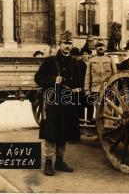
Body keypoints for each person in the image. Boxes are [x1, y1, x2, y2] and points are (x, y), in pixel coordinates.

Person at [34, 30, 82, 176]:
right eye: (65, 43)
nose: (67, 46)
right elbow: (38, 78)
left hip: (67, 103)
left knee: (64, 131)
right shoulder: (49, 61)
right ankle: (48, 163)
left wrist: (77, 89)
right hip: (53, 102)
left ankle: (59, 161)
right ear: (59, 44)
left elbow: (79, 81)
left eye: (69, 43)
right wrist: (53, 79)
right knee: (51, 133)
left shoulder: (75, 63)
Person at [84, 39, 117, 120]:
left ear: (105, 47)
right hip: (96, 89)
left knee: (108, 111)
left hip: (108, 88)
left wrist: (115, 90)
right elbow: (87, 76)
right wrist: (86, 89)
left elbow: (115, 75)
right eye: (98, 46)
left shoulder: (110, 59)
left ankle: (108, 128)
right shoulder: (91, 60)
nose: (100, 48)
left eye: (102, 46)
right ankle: (99, 129)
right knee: (98, 110)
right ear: (95, 48)